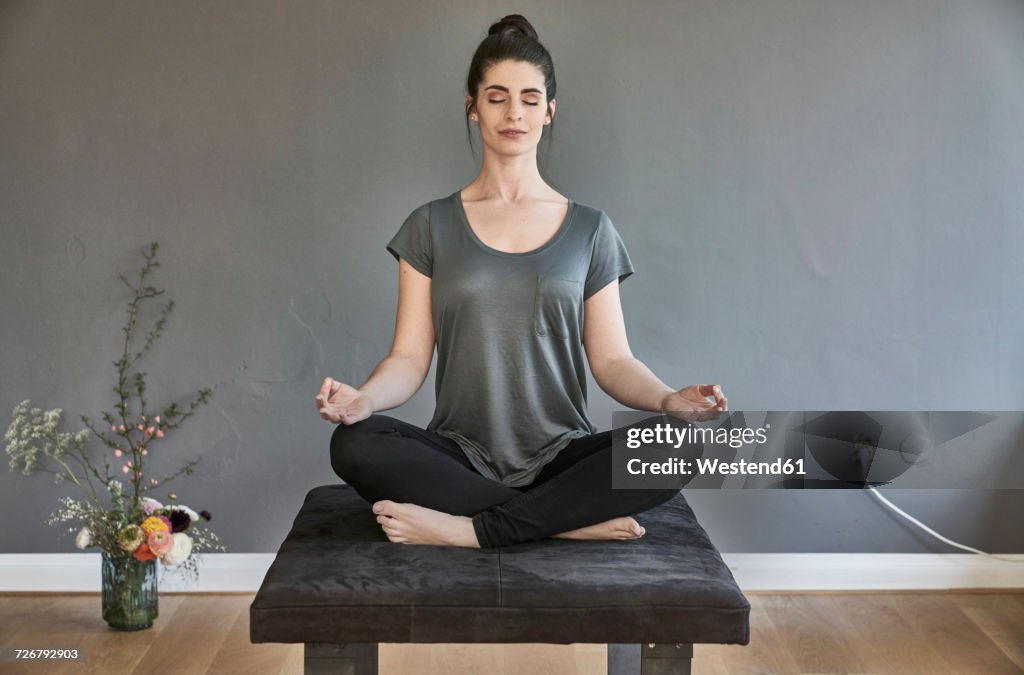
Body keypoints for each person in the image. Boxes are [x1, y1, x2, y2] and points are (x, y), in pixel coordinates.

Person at [316, 14, 727, 548]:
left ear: (549, 112)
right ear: (472, 107)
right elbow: (409, 359)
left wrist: (670, 400)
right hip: (459, 455)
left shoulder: (590, 229)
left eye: (530, 99)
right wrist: (364, 400)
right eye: (496, 96)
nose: (515, 112)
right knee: (353, 444)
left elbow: (613, 361)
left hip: (562, 455)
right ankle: (564, 523)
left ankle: (471, 529)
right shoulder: (429, 225)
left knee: (683, 444)